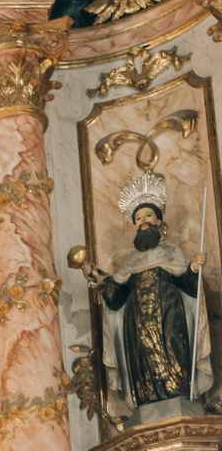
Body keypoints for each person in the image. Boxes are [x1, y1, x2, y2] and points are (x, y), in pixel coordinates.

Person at [80, 172, 210, 415]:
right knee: (141, 358)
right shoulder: (131, 261)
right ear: (134, 225)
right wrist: (97, 277)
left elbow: (188, 285)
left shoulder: (171, 251)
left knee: (173, 347)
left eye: (148, 215)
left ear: (159, 221)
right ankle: (147, 396)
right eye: (138, 218)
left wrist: (193, 268)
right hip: (136, 317)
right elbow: (116, 297)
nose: (143, 221)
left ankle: (178, 391)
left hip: (169, 309)